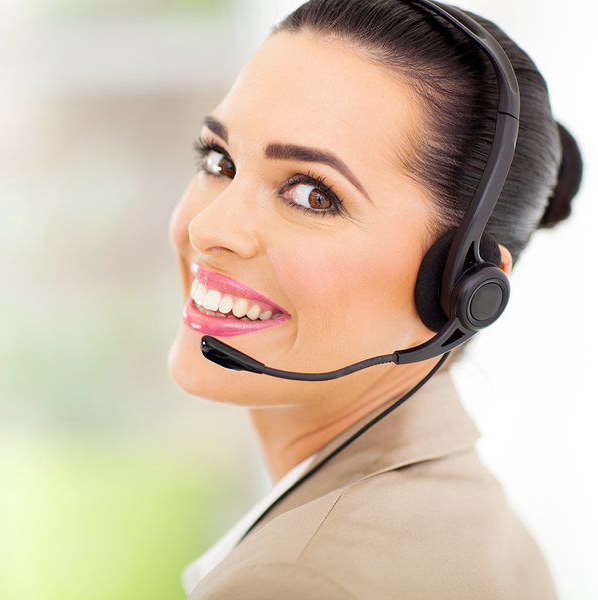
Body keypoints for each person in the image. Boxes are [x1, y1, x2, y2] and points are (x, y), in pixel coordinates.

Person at [166, 0, 583, 597]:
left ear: (463, 287)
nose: (208, 228)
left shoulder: (292, 581)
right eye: (219, 159)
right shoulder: (482, 522)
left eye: (312, 194)